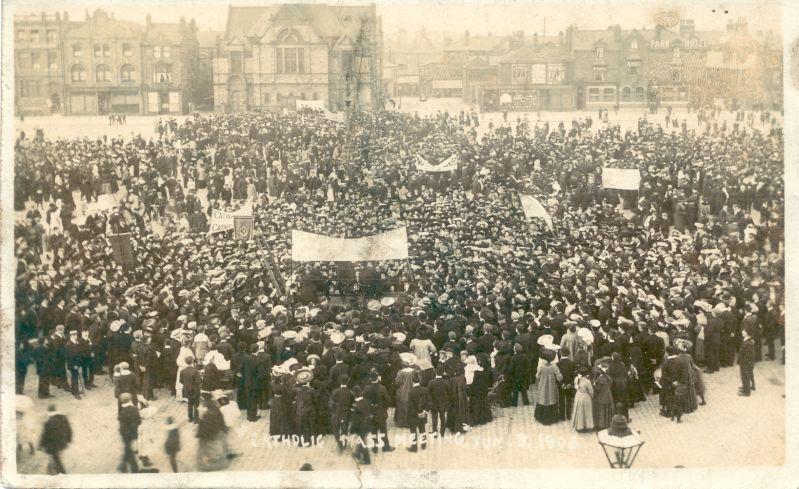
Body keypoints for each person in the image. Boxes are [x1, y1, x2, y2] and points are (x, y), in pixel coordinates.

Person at [196, 397, 230, 471]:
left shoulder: (208, 414)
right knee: (212, 449)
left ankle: (204, 465)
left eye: (203, 403)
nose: (202, 405)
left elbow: (205, 426)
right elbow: (221, 421)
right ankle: (218, 463)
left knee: (206, 450)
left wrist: (200, 434)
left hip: (208, 435)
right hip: (213, 433)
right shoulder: (215, 410)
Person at [39, 405, 72, 474]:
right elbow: (69, 430)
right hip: (63, 443)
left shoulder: (48, 422)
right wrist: (69, 439)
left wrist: (41, 445)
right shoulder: (64, 418)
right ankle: (51, 469)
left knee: (56, 458)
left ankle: (62, 473)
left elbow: (45, 435)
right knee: (57, 456)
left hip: (53, 445)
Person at [534, 349, 562, 425]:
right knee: (551, 399)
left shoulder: (541, 367)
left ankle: (540, 417)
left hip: (542, 386)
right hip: (551, 386)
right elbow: (559, 378)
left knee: (543, 399)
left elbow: (537, 376)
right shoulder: (554, 367)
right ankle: (552, 418)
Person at [406, 371, 432, 452]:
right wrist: (425, 411)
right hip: (423, 414)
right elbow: (429, 402)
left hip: (414, 416)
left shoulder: (411, 392)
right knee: (422, 429)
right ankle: (423, 445)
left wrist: (417, 413)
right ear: (419, 379)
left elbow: (410, 406)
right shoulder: (425, 390)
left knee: (413, 431)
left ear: (412, 380)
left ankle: (414, 447)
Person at [117, 392, 141, 473]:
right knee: (128, 449)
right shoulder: (135, 409)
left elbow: (121, 423)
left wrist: (123, 432)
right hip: (133, 433)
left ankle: (133, 468)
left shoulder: (123, 412)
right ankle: (123, 465)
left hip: (125, 434)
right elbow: (139, 421)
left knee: (128, 449)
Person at [348, 385, 372, 465]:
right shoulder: (367, 401)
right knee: (362, 441)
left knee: (362, 442)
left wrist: (352, 429)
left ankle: (366, 459)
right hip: (367, 426)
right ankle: (358, 453)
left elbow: (355, 419)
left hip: (360, 427)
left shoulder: (355, 405)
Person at [427, 366, 450, 437]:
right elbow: (449, 393)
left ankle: (435, 432)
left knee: (434, 418)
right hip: (443, 403)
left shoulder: (431, 382)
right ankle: (442, 432)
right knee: (443, 417)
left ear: (435, 372)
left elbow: (428, 394)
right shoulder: (446, 382)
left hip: (434, 403)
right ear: (443, 373)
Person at [507, 343, 531, 407]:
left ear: (515, 350)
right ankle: (526, 402)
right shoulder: (525, 356)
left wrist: (509, 372)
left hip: (516, 376)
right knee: (524, 389)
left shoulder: (513, 358)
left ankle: (514, 403)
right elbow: (528, 366)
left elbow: (511, 369)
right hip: (523, 375)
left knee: (515, 390)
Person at [592, 360, 614, 431]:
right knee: (608, 410)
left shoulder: (600, 379)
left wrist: (594, 384)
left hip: (601, 397)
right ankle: (608, 423)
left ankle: (601, 425)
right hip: (608, 396)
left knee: (601, 411)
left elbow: (597, 389)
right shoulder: (609, 378)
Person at [557, 346, 577, 420]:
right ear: (568, 354)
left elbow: (557, 377)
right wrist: (570, 384)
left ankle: (562, 416)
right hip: (569, 385)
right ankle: (568, 415)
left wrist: (561, 384)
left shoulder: (558, 364)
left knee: (561, 399)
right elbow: (574, 375)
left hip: (561, 385)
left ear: (561, 354)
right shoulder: (572, 363)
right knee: (569, 400)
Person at [179, 355, 201, 423]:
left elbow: (181, 381)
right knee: (196, 405)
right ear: (192, 362)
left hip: (187, 390)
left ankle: (190, 418)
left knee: (189, 404)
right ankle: (196, 419)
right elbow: (198, 381)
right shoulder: (195, 371)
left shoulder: (182, 371)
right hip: (195, 390)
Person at [571, 366, 594, 433]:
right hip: (585, 396)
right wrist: (592, 396)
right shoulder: (587, 381)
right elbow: (591, 391)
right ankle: (587, 426)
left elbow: (576, 387)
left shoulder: (576, 379)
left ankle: (579, 426)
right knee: (587, 412)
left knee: (579, 411)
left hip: (578, 395)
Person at [738, 326, 756, 396]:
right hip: (745, 363)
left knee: (745, 376)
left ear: (747, 333)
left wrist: (742, 362)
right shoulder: (747, 340)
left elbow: (747, 356)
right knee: (744, 376)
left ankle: (747, 392)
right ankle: (745, 387)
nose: (742, 332)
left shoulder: (748, 343)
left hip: (746, 363)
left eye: (744, 331)